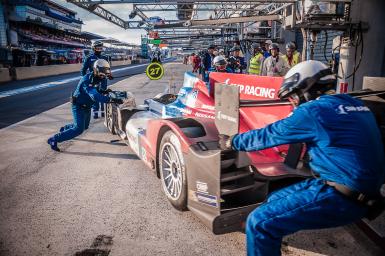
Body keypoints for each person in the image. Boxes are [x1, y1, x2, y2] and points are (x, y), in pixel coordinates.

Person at [218, 60, 385, 256]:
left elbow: (269, 134)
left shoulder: (313, 111)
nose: (294, 103)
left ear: (307, 89)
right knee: (273, 199)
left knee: (259, 223)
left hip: (342, 196)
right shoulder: (354, 104)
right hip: (363, 191)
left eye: (295, 97)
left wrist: (232, 142)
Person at [47, 59, 123, 152]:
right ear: (96, 70)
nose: (104, 77)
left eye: (105, 75)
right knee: (78, 129)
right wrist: (110, 100)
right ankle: (54, 139)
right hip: (78, 106)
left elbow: (96, 90)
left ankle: (65, 128)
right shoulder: (87, 81)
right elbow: (94, 95)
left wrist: (103, 91)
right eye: (102, 75)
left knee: (84, 126)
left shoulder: (96, 77)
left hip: (87, 106)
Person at [81, 40, 110, 119]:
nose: (99, 49)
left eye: (101, 48)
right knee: (95, 95)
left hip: (103, 80)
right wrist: (85, 79)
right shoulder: (89, 58)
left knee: (103, 94)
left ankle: (104, 112)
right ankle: (95, 112)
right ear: (93, 48)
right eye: (98, 48)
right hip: (93, 80)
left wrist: (109, 75)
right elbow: (83, 70)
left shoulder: (105, 57)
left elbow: (108, 69)